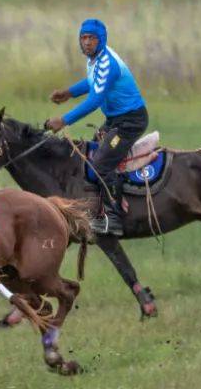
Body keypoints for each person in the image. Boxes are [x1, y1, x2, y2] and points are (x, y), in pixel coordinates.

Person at [46, 18, 148, 236]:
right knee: (92, 151)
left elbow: (94, 100)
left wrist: (63, 120)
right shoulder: (95, 59)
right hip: (115, 119)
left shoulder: (107, 64)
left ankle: (115, 218)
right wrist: (69, 92)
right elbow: (92, 82)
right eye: (83, 38)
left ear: (101, 40)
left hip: (130, 122)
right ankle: (98, 202)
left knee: (100, 164)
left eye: (92, 38)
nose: (87, 42)